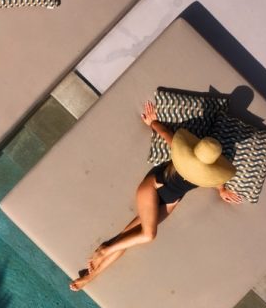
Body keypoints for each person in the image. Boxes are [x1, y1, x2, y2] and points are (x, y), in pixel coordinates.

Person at [70, 100, 242, 291]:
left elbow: (216, 179)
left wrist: (221, 189)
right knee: (148, 234)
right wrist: (152, 122)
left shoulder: (209, 174)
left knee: (126, 239)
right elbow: (167, 134)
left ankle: (91, 276)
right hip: (153, 187)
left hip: (170, 200)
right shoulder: (182, 153)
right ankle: (104, 250)